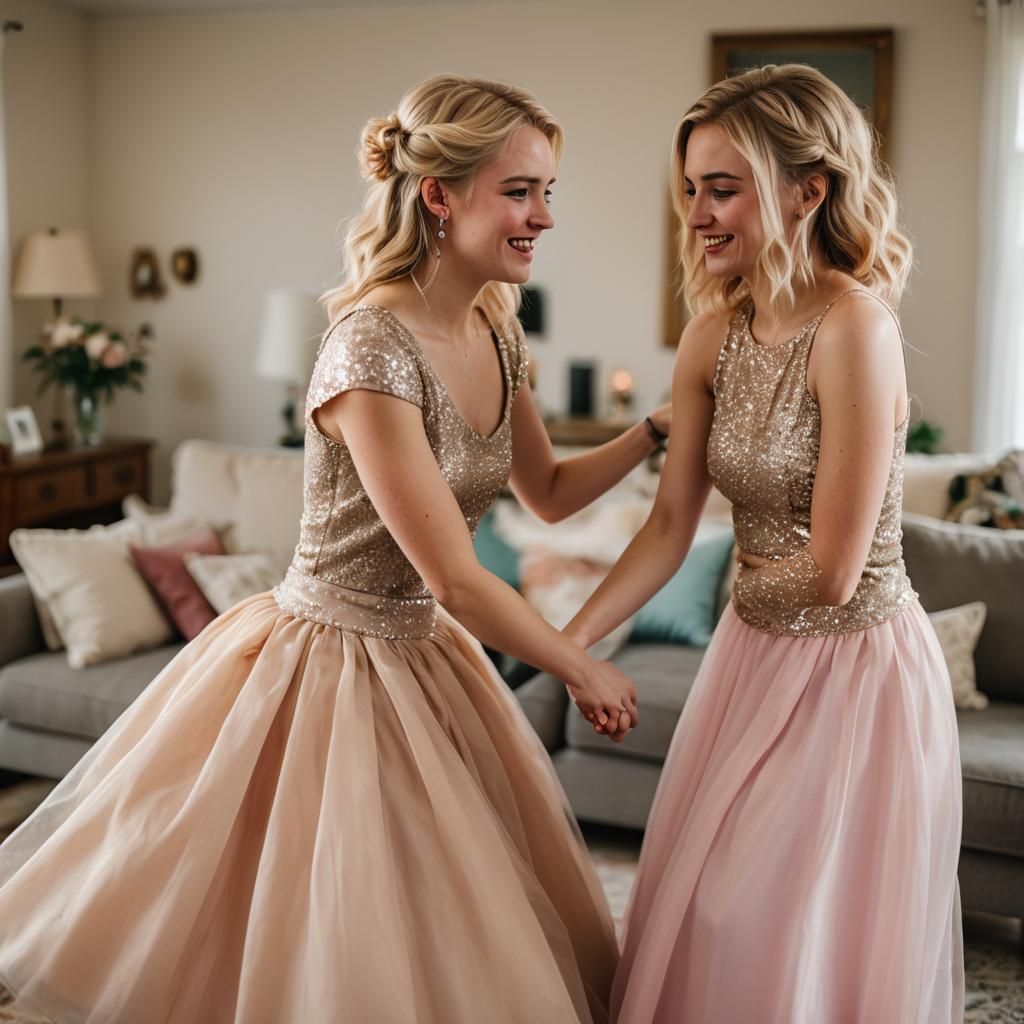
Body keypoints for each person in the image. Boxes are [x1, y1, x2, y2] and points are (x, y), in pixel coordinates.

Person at [0, 75, 669, 1023]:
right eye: (520, 191)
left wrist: (651, 432)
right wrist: (578, 665)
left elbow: (549, 495)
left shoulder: (495, 324)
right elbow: (455, 577)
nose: (543, 217)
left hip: (426, 654)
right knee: (309, 923)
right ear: (439, 195)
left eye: (548, 191)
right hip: (330, 659)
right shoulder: (367, 348)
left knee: (449, 915)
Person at [563, 64, 964, 1023]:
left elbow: (830, 572)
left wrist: (740, 599)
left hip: (853, 673)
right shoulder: (712, 336)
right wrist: (564, 648)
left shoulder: (857, 327)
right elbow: (668, 529)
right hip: (750, 661)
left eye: (723, 187)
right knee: (702, 905)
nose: (698, 213)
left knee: (775, 926)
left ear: (807, 188)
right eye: (692, 190)